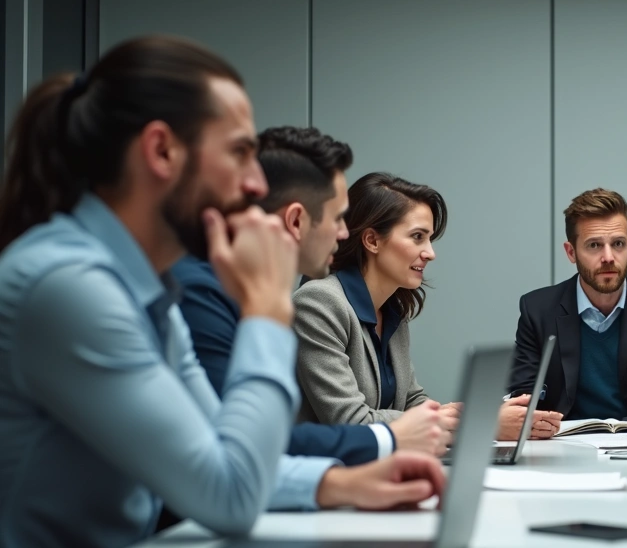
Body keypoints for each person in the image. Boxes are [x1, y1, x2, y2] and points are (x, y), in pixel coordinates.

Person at [0, 37, 445, 548]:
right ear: (162, 152)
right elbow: (229, 493)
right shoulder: (67, 284)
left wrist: (339, 483)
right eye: (238, 153)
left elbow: (220, 454)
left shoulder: (146, 285)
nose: (256, 184)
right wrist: (265, 310)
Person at [173, 126, 446, 463]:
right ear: (297, 220)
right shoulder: (210, 295)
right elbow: (245, 448)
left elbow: (258, 444)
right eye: (337, 218)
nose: (346, 232)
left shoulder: (247, 296)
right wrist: (421, 430)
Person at [294, 172, 538, 441]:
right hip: (332, 473)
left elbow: (411, 399)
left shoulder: (391, 307)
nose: (430, 253)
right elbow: (351, 421)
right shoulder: (318, 303)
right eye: (417, 237)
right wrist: (462, 424)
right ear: (372, 241)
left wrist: (470, 416)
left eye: (429, 238)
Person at [508, 188, 627, 429]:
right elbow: (523, 396)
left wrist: (619, 433)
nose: (608, 257)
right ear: (571, 252)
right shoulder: (537, 310)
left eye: (618, 244)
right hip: (562, 444)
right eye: (594, 245)